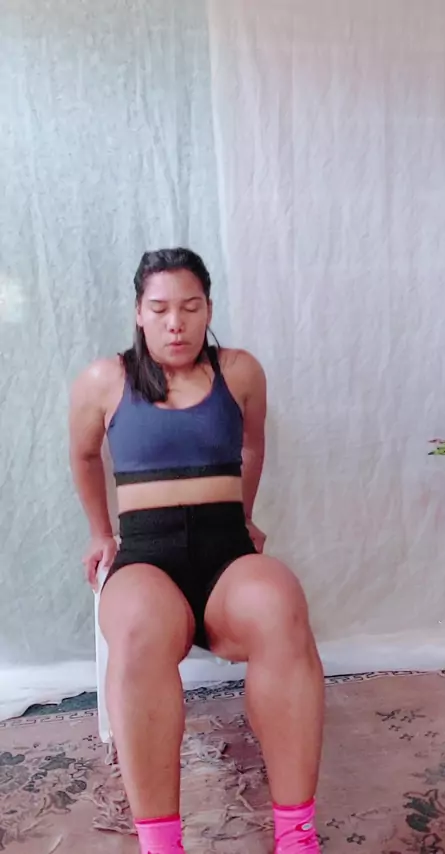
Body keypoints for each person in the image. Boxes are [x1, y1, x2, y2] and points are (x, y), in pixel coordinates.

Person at [69, 248, 324, 854]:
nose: (175, 323)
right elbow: (83, 454)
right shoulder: (105, 380)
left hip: (225, 552)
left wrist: (246, 515)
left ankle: (296, 835)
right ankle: (161, 844)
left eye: (190, 307)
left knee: (280, 604)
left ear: (208, 308)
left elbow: (252, 447)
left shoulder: (240, 371)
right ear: (138, 312)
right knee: (137, 628)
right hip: (146, 556)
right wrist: (101, 533)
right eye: (159, 309)